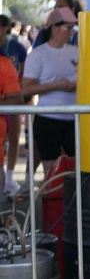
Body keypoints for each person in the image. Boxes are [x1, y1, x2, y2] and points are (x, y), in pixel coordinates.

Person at [21, 7, 78, 176]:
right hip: (48, 119)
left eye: (73, 28)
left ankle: (71, 202)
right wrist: (56, 85)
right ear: (54, 28)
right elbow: (26, 89)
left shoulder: (77, 52)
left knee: (77, 169)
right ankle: (52, 201)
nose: (71, 33)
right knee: (51, 171)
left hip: (74, 118)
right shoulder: (38, 54)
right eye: (68, 28)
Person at [0, 15, 27, 195]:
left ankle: (9, 177)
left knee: (15, 137)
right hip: (8, 95)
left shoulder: (17, 48)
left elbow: (22, 73)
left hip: (10, 94)